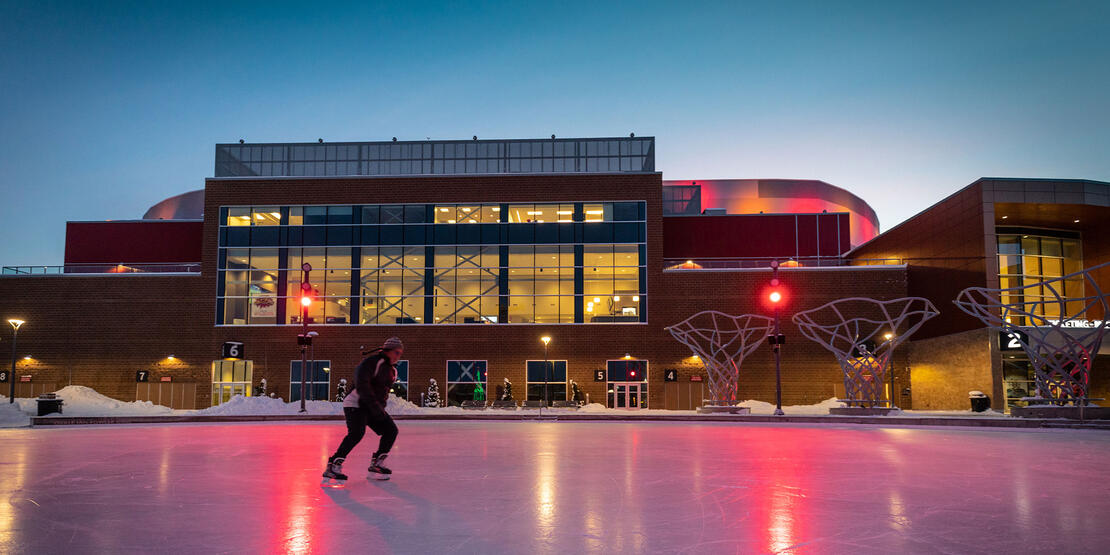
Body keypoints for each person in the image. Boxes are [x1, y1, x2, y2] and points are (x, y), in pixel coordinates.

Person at [322, 337, 403, 484]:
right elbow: (362, 385)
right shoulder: (372, 362)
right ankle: (333, 466)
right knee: (356, 433)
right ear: (388, 351)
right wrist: (375, 407)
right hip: (356, 403)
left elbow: (383, 393)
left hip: (371, 406)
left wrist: (379, 409)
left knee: (391, 430)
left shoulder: (392, 370)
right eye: (396, 352)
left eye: (400, 353)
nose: (399, 356)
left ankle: (377, 464)